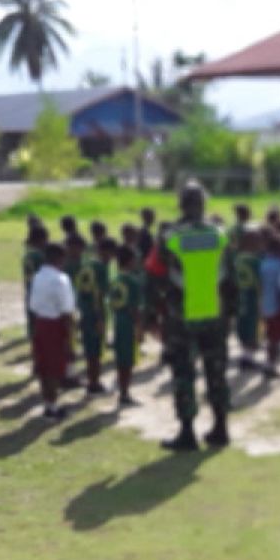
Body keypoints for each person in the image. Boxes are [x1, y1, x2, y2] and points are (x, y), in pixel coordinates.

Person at [145, 181, 232, 451]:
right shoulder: (220, 234)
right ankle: (220, 428)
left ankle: (187, 433)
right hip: (215, 314)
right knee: (216, 371)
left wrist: (150, 316)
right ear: (204, 203)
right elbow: (231, 278)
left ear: (181, 204)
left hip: (181, 317)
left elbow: (153, 276)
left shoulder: (169, 237)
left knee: (184, 373)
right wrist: (232, 313)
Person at [29, 242, 75, 420]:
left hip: (40, 323)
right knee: (55, 368)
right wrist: (70, 339)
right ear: (59, 258)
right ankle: (53, 407)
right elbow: (67, 311)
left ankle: (48, 404)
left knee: (43, 366)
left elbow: (32, 306)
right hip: (56, 325)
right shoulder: (61, 279)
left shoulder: (37, 277)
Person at [75, 235, 115, 394]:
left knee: (89, 348)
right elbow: (98, 295)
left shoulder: (86, 264)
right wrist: (99, 318)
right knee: (95, 350)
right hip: (95, 313)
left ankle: (93, 379)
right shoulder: (101, 268)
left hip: (84, 311)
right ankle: (94, 382)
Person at [110, 245, 143, 407]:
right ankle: (125, 393)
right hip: (128, 324)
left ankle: (123, 390)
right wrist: (139, 328)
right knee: (127, 360)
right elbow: (134, 308)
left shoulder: (115, 279)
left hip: (117, 321)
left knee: (121, 358)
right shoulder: (133, 281)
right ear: (130, 261)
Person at [259, 230, 280, 380]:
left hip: (266, 306)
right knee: (275, 338)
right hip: (277, 307)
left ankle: (270, 364)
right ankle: (270, 366)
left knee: (271, 337)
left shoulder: (263, 264)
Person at [232, 227, 263, 370]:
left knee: (242, 323)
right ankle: (248, 357)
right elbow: (259, 281)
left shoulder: (236, 258)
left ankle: (245, 353)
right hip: (251, 297)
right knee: (251, 324)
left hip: (238, 297)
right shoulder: (255, 261)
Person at [22, 223, 49, 339]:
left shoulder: (27, 256)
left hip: (29, 290)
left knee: (32, 320)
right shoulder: (40, 257)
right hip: (40, 292)